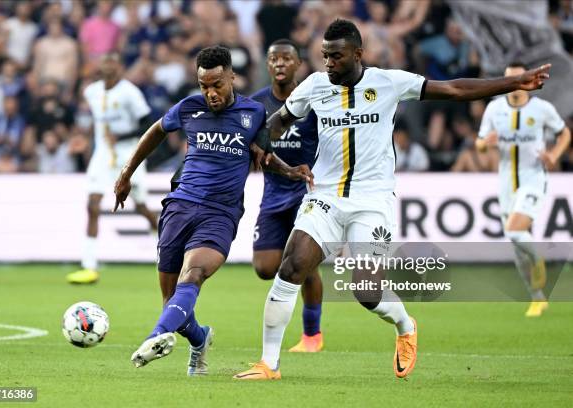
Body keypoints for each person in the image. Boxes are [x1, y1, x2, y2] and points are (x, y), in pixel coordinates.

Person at [234, 19, 553, 381]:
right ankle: (269, 364)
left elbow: (453, 89)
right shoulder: (315, 85)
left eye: (336, 57)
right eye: (324, 56)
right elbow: (281, 119)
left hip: (373, 201)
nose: (328, 64)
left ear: (358, 54)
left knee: (366, 291)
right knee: (291, 268)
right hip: (325, 195)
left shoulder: (388, 82)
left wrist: (512, 82)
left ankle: (404, 325)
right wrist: (263, 141)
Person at [113, 46, 313, 376]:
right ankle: (199, 338)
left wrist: (290, 170)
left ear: (231, 77)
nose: (210, 93)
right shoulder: (189, 107)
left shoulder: (254, 113)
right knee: (172, 305)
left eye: (217, 84)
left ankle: (154, 337)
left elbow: (263, 156)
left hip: (220, 213)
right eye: (204, 85)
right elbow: (156, 132)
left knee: (193, 275)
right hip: (179, 205)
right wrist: (126, 174)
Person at [476, 62, 571, 317]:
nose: (512, 86)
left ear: (527, 80)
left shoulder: (542, 109)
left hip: (533, 178)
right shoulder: (495, 109)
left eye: (517, 80)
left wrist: (554, 155)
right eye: (508, 80)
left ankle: (539, 258)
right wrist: (486, 143)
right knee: (517, 248)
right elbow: (479, 144)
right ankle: (537, 297)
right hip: (506, 182)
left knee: (515, 230)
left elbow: (565, 134)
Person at [250, 39, 324, 352]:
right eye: (274, 59)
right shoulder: (256, 104)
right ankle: (302, 266)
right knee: (265, 268)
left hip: (304, 192)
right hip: (272, 193)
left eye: (286, 59)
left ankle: (312, 335)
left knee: (301, 263)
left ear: (298, 65)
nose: (280, 64)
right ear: (267, 65)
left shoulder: (314, 101)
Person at [67, 52, 157, 284]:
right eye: (106, 61)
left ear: (120, 67)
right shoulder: (92, 91)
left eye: (114, 62)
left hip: (129, 154)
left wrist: (122, 135)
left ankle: (166, 244)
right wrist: (84, 138)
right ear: (101, 66)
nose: (109, 66)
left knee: (141, 207)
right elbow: (96, 120)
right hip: (102, 154)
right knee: (92, 204)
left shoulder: (130, 92)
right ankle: (89, 267)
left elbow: (148, 123)